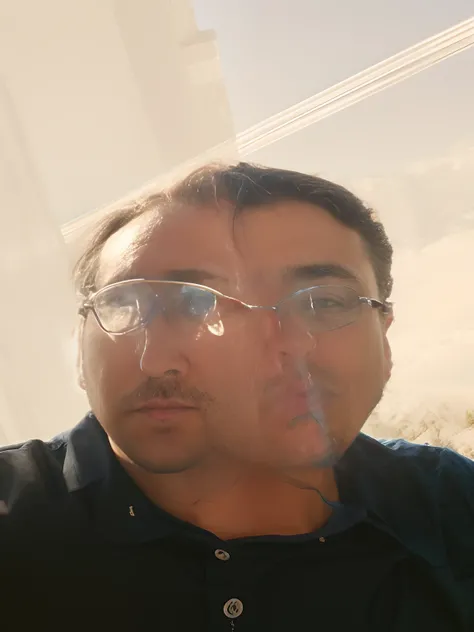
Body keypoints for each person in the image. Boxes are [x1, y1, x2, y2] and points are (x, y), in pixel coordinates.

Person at [0, 162, 472, 631]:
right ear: (81, 346)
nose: (281, 346)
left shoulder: (449, 502)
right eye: (136, 305)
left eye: (323, 302)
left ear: (384, 340)